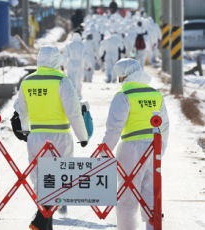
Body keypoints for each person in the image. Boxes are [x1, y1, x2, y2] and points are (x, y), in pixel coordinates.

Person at [14, 46, 89, 230]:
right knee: (61, 180)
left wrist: (23, 131)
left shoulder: (28, 82)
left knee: (40, 180)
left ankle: (45, 225)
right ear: (57, 60)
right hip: (59, 136)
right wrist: (83, 136)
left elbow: (20, 110)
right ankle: (40, 220)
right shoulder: (62, 81)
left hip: (35, 136)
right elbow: (73, 112)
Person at [102, 58, 169, 230]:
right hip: (154, 147)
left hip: (131, 148)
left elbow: (114, 128)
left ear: (124, 77)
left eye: (120, 78)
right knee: (151, 193)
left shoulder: (123, 96)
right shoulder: (155, 94)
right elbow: (165, 125)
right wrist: (161, 150)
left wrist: (104, 152)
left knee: (127, 195)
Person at [63, 33, 86, 98]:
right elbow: (85, 56)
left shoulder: (69, 45)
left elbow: (65, 55)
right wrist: (88, 65)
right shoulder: (82, 45)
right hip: (79, 64)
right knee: (78, 80)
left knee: (71, 79)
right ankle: (79, 94)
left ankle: (72, 94)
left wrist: (63, 64)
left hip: (71, 63)